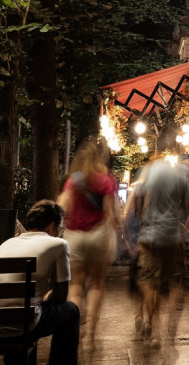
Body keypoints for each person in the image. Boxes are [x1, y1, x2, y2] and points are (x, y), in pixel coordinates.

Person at [0, 200, 79, 365]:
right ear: (51, 226)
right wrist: (45, 298)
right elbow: (61, 295)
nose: (60, 233)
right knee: (71, 311)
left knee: (31, 310)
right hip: (23, 325)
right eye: (60, 229)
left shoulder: (7, 243)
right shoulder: (59, 244)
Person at [57, 138, 119, 354]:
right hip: (98, 236)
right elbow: (110, 213)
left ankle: (72, 332)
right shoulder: (105, 180)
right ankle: (90, 335)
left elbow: (61, 206)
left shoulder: (73, 180)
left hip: (75, 237)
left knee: (75, 286)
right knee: (96, 285)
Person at [135, 153, 189, 348]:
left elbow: (143, 201)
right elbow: (187, 204)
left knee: (151, 283)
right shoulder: (179, 175)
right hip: (171, 235)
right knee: (175, 281)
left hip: (151, 235)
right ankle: (171, 327)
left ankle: (153, 327)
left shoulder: (149, 172)